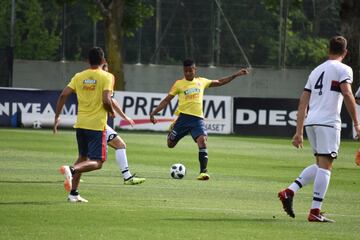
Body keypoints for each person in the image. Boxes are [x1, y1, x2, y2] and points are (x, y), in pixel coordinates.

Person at [278, 36, 360, 222]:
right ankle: (315, 211)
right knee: (326, 167)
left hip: (312, 122)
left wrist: (299, 132)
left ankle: (289, 191)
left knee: (321, 164)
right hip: (328, 122)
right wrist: (357, 123)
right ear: (345, 52)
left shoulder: (315, 71)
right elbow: (347, 92)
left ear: (328, 50)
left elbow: (302, 102)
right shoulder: (344, 69)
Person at [149, 59, 249, 180]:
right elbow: (166, 100)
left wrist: (235, 75)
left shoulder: (202, 81)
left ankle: (203, 172)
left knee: (202, 141)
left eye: (190, 71)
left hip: (197, 120)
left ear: (195, 70)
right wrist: (154, 112)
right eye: (185, 71)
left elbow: (220, 82)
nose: (188, 73)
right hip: (183, 119)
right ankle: (172, 129)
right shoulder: (179, 84)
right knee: (170, 145)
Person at [54, 47, 115, 203]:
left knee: (83, 156)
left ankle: (73, 193)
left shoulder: (79, 76)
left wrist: (57, 116)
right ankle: (71, 169)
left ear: (88, 61)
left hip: (81, 124)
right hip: (96, 126)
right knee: (98, 162)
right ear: (103, 60)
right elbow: (107, 100)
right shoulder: (107, 77)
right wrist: (111, 111)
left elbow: (63, 94)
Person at [101, 62, 145, 185]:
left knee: (118, 145)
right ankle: (72, 171)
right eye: (105, 69)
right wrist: (114, 112)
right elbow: (109, 100)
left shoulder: (90, 79)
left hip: (90, 123)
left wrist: (124, 116)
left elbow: (111, 100)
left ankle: (127, 176)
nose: (107, 72)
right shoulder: (106, 80)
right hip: (97, 123)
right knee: (98, 158)